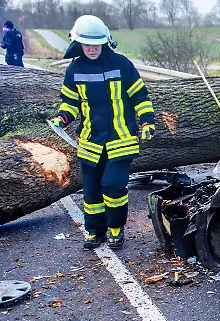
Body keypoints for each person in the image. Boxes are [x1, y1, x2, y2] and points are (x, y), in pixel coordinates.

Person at [48, 15, 156, 250]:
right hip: (90, 142)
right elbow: (70, 102)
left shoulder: (122, 64)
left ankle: (116, 229)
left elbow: (140, 96)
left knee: (113, 185)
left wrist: (147, 121)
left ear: (105, 42)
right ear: (78, 44)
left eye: (96, 44)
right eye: (87, 44)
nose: (92, 49)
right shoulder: (74, 69)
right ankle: (94, 232)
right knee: (92, 192)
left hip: (121, 139)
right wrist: (62, 117)